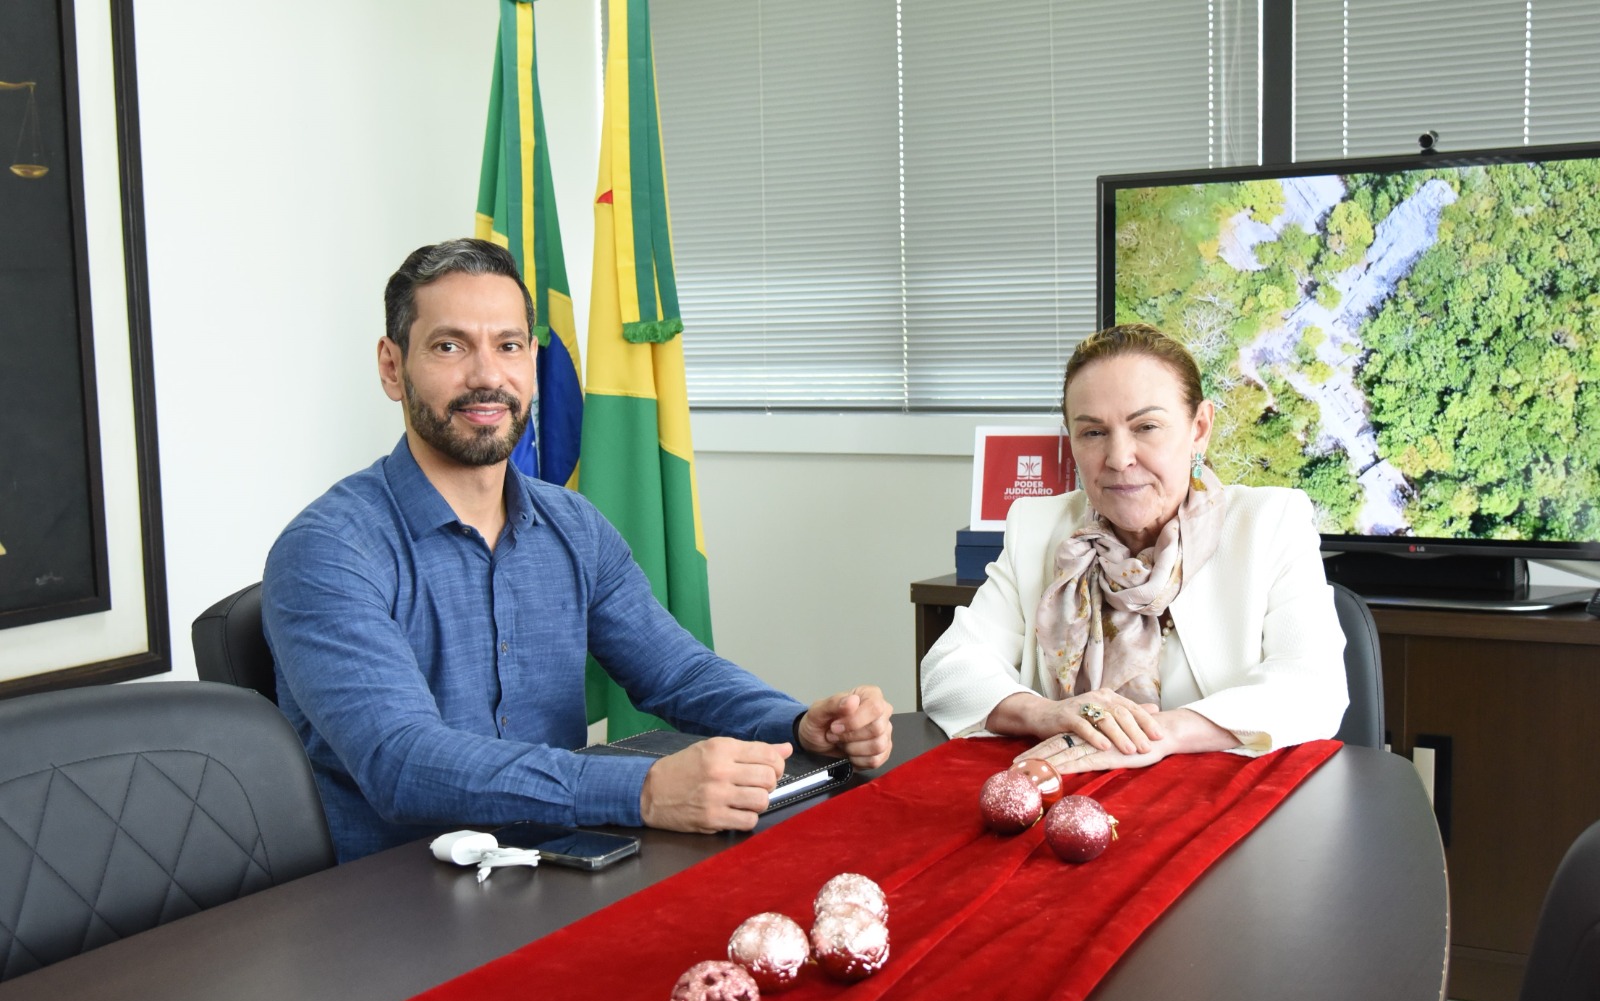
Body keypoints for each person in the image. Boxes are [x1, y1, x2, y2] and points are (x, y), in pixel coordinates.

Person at [263, 238, 892, 861]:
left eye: (508, 346)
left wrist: (795, 724)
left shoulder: (573, 526)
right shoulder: (328, 550)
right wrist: (643, 790)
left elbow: (677, 672)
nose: (487, 377)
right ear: (392, 366)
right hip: (393, 911)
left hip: (565, 872)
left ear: (532, 362)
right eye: (450, 346)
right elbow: (402, 760)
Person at [920, 323, 1346, 773]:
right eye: (1093, 433)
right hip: (1065, 795)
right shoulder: (1038, 527)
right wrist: (1045, 713)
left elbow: (1314, 686)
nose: (1120, 458)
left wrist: (1160, 734)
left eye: (1146, 426)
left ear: (1199, 428)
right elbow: (949, 668)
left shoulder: (1268, 522)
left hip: (1220, 802)